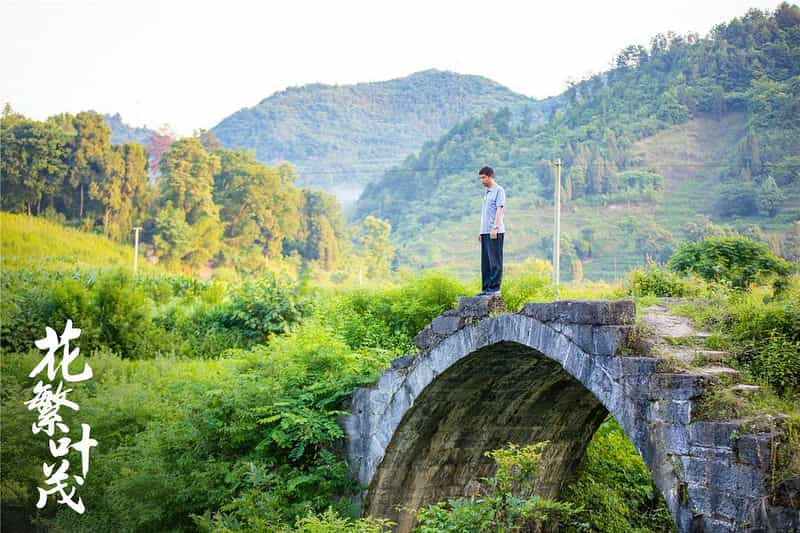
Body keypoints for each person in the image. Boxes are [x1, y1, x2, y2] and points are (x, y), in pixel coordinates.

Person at [477, 166, 505, 296]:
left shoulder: (499, 190)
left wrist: (495, 227)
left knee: (495, 261)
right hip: (485, 232)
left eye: (483, 178)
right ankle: (486, 288)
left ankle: (494, 289)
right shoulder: (487, 193)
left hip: (495, 232)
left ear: (490, 177)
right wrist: (480, 231)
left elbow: (499, 209)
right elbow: (485, 214)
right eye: (480, 178)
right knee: (486, 262)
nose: (481, 180)